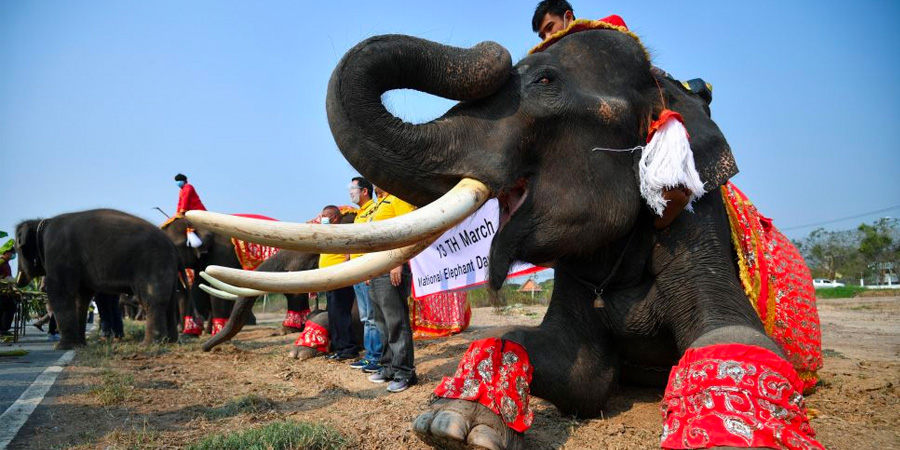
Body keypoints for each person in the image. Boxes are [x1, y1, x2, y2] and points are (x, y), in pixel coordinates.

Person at [531, 0, 695, 229]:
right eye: (542, 35)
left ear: (568, 17)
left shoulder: (606, 28)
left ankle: (671, 187)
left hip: (634, 104)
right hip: (589, 124)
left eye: (550, 27)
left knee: (658, 131)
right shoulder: (551, 63)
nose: (547, 37)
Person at [365, 187, 418, 392]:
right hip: (376, 270)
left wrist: (398, 262)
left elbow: (407, 231)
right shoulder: (378, 205)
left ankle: (404, 372)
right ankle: (388, 367)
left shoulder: (398, 198)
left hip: (391, 268)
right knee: (381, 323)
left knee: (396, 322)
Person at [346, 177, 384, 371]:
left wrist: (370, 270)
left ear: (365, 191)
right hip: (358, 273)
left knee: (372, 317)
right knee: (365, 318)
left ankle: (377, 357)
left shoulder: (374, 210)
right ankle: (369, 355)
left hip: (368, 272)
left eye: (353, 188)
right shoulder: (358, 214)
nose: (350, 192)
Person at [318, 205, 360, 360]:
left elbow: (351, 251)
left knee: (341, 313)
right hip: (328, 279)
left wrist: (344, 265)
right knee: (333, 314)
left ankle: (349, 348)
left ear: (335, 217)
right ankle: (338, 348)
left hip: (340, 277)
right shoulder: (326, 233)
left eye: (325, 216)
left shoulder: (344, 231)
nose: (322, 218)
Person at [0, 241, 17, 336]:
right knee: (6, 308)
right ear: (6, 253)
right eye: (12, 253)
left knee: (10, 308)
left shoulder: (6, 263)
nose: (13, 255)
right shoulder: (1, 261)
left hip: (7, 291)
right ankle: (3, 329)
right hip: (2, 290)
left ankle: (4, 329)